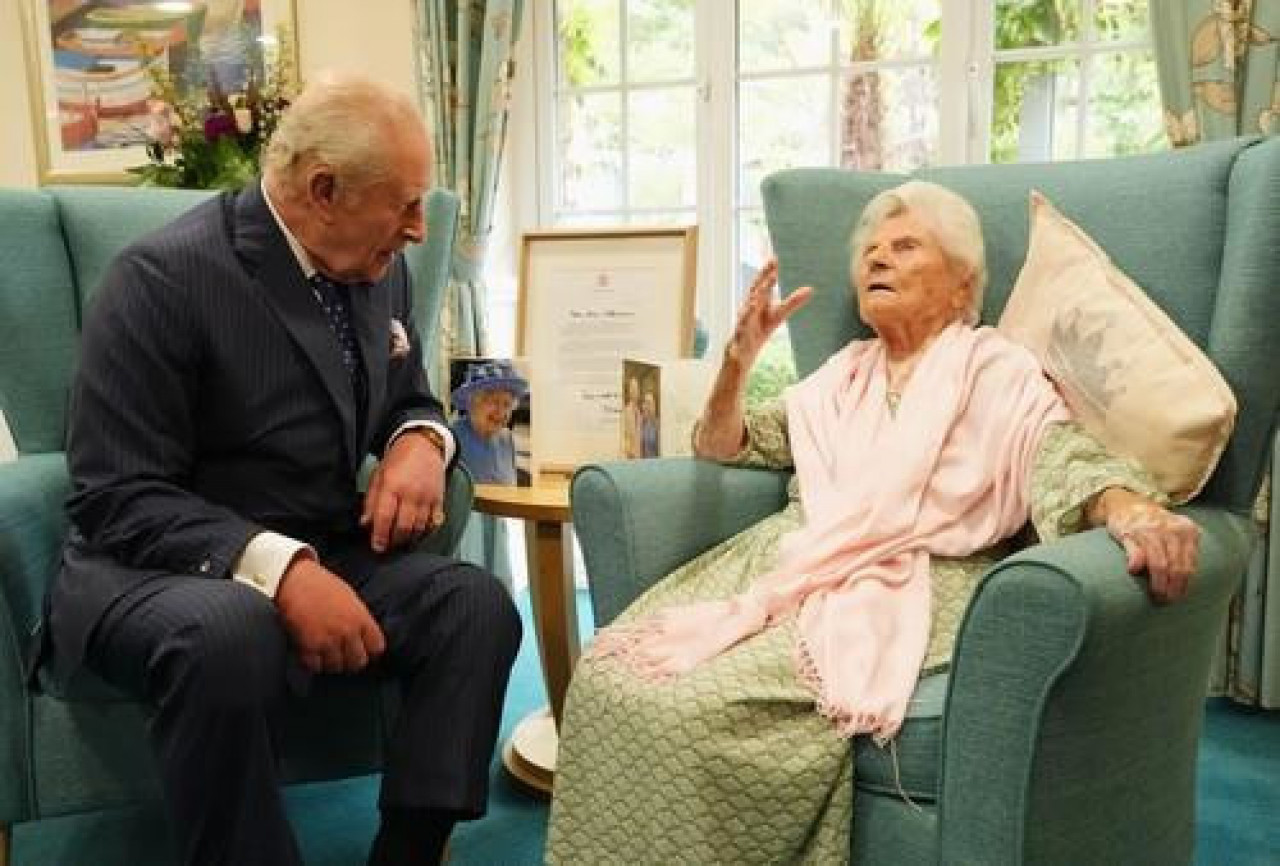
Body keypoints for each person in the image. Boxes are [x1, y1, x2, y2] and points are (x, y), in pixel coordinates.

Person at [545, 180, 1200, 863]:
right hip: (789, 567)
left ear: (962, 283)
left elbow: (1059, 455)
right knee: (606, 677)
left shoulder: (995, 370)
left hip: (910, 579)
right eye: (871, 251)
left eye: (906, 246)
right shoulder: (844, 375)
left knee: (689, 710)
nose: (877, 259)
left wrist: (1129, 507)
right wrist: (737, 363)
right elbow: (723, 443)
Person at [39, 73, 522, 866]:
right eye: (405, 206)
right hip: (154, 568)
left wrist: (420, 442)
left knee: (476, 606)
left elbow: (409, 397)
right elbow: (115, 493)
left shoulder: (377, 266)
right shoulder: (160, 279)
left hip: (323, 543)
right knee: (233, 631)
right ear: (323, 190)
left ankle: (408, 854)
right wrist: (283, 572)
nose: (419, 229)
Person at [449, 359, 528, 485]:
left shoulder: (507, 438)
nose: (501, 411)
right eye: (494, 401)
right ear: (472, 403)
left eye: (507, 404)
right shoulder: (451, 437)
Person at [621, 375, 642, 458]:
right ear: (629, 392)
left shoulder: (639, 413)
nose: (634, 391)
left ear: (638, 392)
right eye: (632, 389)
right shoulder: (625, 412)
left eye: (636, 389)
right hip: (628, 457)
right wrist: (629, 451)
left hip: (638, 457)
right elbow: (624, 436)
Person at [638, 388, 660, 458]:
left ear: (655, 406)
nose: (645, 406)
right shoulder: (642, 424)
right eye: (644, 403)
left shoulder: (659, 425)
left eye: (648, 403)